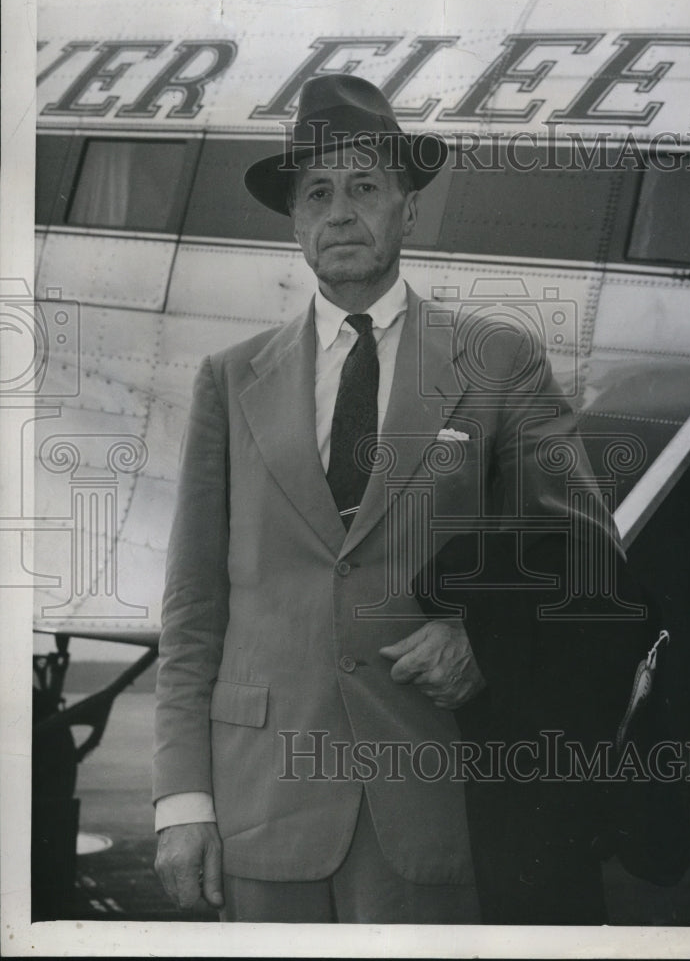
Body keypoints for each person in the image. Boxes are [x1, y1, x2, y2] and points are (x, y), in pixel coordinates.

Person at [153, 73, 663, 925]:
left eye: (364, 186)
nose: (340, 211)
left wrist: (486, 636)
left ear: (407, 208)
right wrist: (182, 803)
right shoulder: (229, 379)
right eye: (316, 191)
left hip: (434, 806)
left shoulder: (497, 360)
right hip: (261, 810)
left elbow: (589, 564)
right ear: (295, 221)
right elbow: (193, 609)